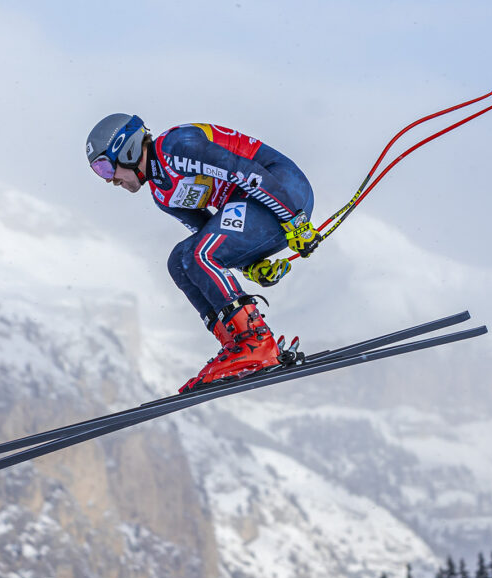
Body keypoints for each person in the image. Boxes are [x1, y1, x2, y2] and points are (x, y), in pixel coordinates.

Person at [85, 113, 319, 392]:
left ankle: (256, 340)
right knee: (180, 261)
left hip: (282, 189)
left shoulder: (174, 147)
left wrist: (295, 220)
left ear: (128, 149)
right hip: (257, 209)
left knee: (197, 254)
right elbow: (213, 234)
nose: (109, 180)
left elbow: (245, 172)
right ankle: (236, 344)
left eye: (105, 168)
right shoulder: (163, 194)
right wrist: (250, 264)